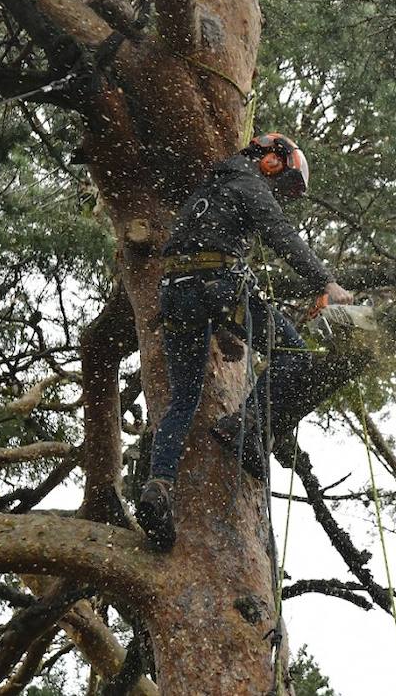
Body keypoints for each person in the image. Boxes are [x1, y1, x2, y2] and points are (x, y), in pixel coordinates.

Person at [138, 132, 353, 551]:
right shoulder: (248, 182)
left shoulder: (209, 187)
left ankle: (159, 484)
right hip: (218, 285)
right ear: (270, 159)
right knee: (294, 354)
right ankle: (244, 424)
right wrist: (326, 282)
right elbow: (282, 236)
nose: (277, 190)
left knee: (184, 399)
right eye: (281, 180)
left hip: (175, 292)